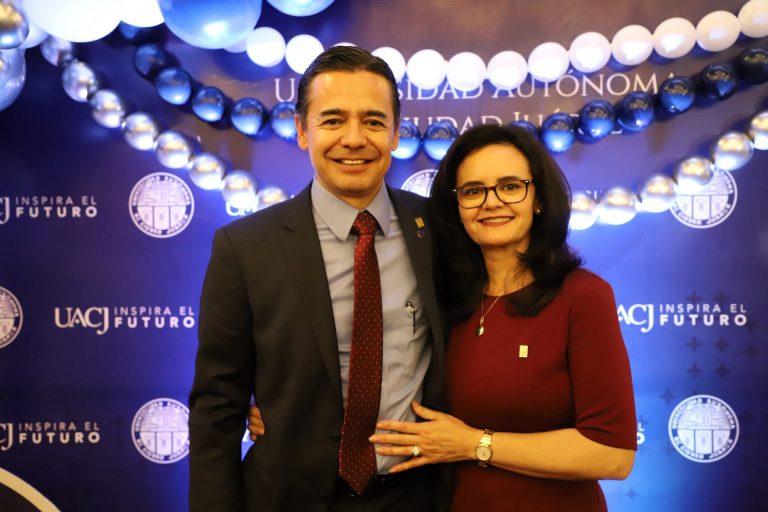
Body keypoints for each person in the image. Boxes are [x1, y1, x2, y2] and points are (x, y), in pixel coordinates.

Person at [252, 124, 637, 510]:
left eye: (510, 186)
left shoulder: (583, 297)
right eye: (472, 191)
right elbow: (377, 376)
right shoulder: (442, 297)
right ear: (456, 208)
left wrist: (474, 444)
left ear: (538, 198)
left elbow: (612, 454)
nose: (491, 202)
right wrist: (285, 411)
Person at [188, 45, 447, 512]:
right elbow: (216, 406)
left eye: (373, 121)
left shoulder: (441, 232)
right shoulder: (244, 247)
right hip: (286, 498)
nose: (354, 139)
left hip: (415, 497)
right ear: (302, 131)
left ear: (396, 133)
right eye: (332, 120)